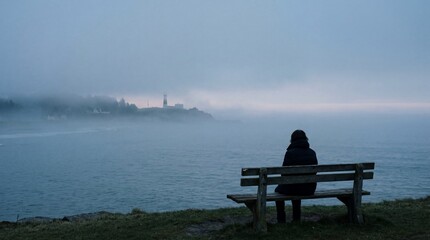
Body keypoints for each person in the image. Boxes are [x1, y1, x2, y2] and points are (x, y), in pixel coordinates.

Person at [275, 129, 318, 223]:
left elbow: (283, 173)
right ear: (306, 139)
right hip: (309, 189)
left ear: (292, 140)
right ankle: (296, 219)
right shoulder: (312, 152)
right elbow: (314, 172)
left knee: (278, 191)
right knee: (297, 186)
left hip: (293, 188)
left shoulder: (290, 153)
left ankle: (281, 219)